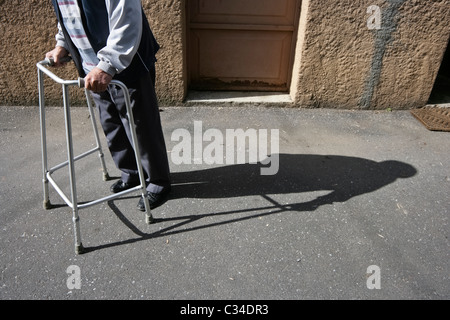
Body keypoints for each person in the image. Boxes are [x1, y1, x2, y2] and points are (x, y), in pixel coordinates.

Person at [45, 0, 171, 211]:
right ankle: (131, 172)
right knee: (110, 123)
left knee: (139, 125)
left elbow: (127, 19)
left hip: (124, 63)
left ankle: (158, 181)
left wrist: (108, 64)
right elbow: (68, 15)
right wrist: (62, 44)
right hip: (91, 67)